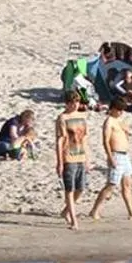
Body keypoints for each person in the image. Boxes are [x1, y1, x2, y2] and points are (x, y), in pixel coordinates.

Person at [87, 101, 132, 220]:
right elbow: (105, 141)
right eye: (118, 110)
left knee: (127, 184)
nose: (120, 112)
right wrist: (110, 157)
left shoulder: (119, 122)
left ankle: (131, 212)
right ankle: (95, 210)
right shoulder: (109, 121)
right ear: (112, 109)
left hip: (125, 155)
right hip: (116, 154)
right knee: (111, 184)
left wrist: (126, 132)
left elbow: (125, 137)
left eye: (122, 110)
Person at [56, 92, 91, 229]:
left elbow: (85, 139)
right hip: (68, 156)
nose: (75, 104)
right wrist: (59, 162)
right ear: (67, 103)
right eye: (72, 102)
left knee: (80, 188)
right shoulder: (62, 118)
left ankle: (65, 211)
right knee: (69, 189)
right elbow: (60, 141)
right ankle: (73, 221)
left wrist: (88, 158)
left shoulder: (82, 117)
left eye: (76, 102)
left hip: (81, 155)